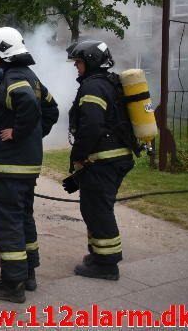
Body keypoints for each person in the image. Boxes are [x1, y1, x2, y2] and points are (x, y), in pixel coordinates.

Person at [0, 27, 59, 303]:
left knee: (5, 221)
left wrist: (18, 133)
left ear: (2, 54)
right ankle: (28, 273)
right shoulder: (31, 77)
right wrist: (34, 135)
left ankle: (12, 284)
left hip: (10, 166)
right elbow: (52, 109)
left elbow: (29, 105)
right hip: (28, 165)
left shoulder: (14, 78)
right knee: (23, 217)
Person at [65, 40, 134, 281]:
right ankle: (98, 255)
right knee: (93, 207)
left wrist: (78, 157)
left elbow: (92, 126)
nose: (76, 66)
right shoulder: (108, 83)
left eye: (79, 62)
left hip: (104, 160)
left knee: (98, 210)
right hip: (114, 157)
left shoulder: (93, 87)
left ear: (91, 62)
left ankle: (106, 265)